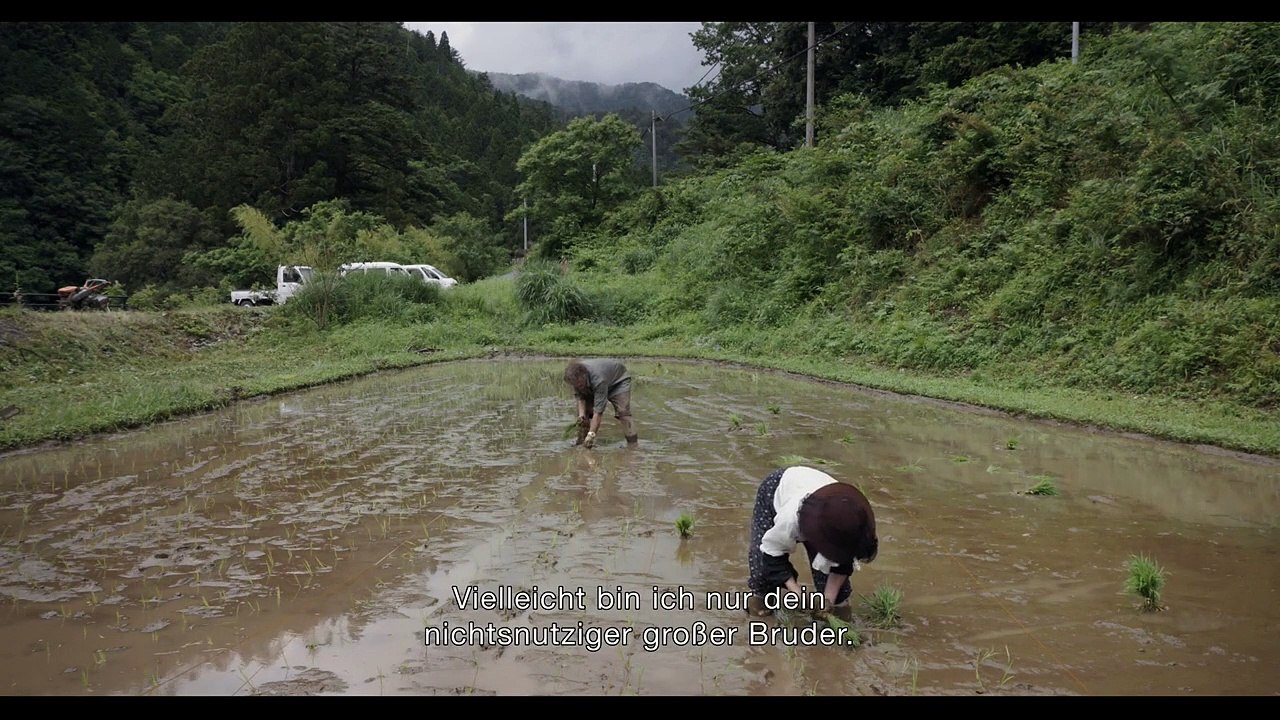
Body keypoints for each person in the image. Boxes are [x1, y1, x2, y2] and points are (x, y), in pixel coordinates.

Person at [746, 465, 878, 618]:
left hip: (825, 502)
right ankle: (760, 607)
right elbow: (771, 552)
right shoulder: (790, 519)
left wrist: (828, 599)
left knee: (838, 595)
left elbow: (843, 562)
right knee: (762, 569)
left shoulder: (851, 521)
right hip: (778, 488)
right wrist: (796, 593)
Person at [563, 358, 638, 448]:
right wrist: (581, 416)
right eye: (574, 384)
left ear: (583, 377)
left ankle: (633, 445)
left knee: (623, 413)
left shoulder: (598, 380)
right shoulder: (575, 379)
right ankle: (581, 442)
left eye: (578, 384)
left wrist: (591, 435)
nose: (576, 386)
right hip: (596, 381)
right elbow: (580, 397)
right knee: (584, 414)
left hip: (618, 381)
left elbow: (598, 413)